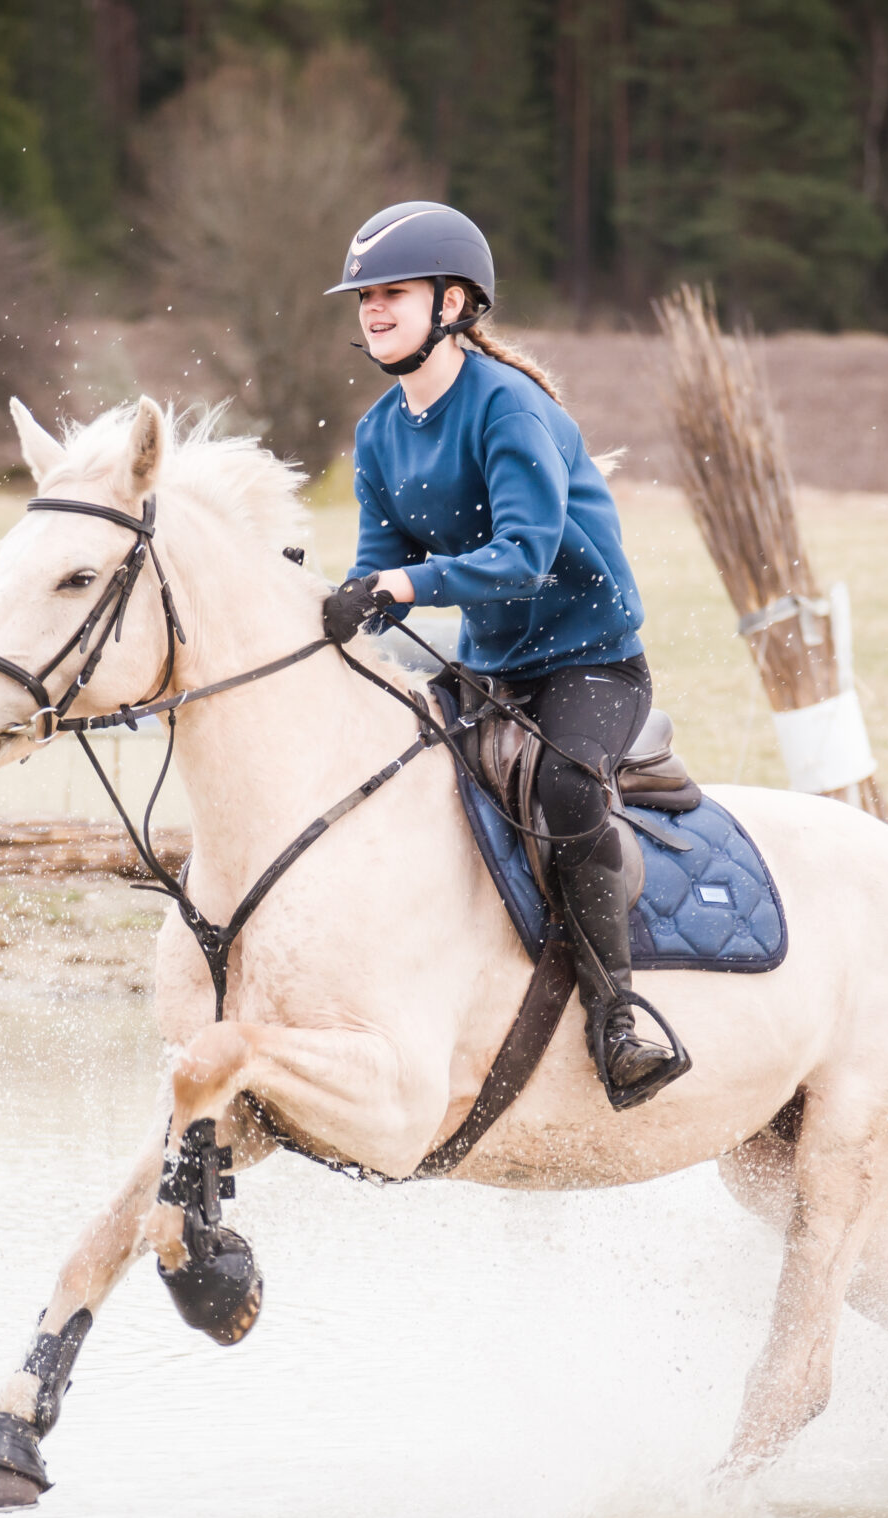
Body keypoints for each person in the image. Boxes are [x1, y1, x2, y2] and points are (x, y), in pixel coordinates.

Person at [317, 201, 686, 1109]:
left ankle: (617, 1018)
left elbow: (523, 556)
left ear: (453, 302)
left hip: (591, 664)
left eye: (392, 293)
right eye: (364, 295)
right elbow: (377, 569)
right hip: (493, 669)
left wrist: (402, 589)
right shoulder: (377, 433)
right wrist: (337, 608)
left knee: (563, 790)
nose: (372, 309)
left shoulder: (511, 409)